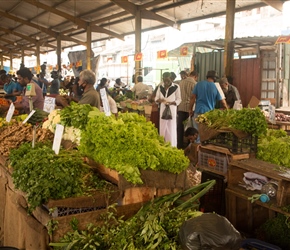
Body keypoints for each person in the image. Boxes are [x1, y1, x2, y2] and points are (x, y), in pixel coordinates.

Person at [189, 70, 228, 142]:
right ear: (215, 78)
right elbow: (223, 102)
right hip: (209, 114)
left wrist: (190, 110)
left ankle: (196, 150)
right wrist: (227, 110)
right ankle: (204, 150)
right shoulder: (216, 87)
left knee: (197, 134)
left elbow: (192, 98)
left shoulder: (199, 84)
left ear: (207, 76)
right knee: (206, 135)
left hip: (198, 112)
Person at [155, 72, 181, 147]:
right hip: (163, 110)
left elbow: (179, 99)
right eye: (164, 80)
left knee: (171, 128)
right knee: (163, 127)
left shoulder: (176, 87)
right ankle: (163, 144)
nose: (166, 82)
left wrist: (173, 103)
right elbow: (156, 98)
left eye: (168, 80)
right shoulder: (160, 87)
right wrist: (161, 101)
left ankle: (172, 145)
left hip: (172, 110)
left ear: (171, 79)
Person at [177, 70, 198, 149]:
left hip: (181, 107)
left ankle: (179, 145)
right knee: (190, 128)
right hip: (190, 109)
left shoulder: (181, 82)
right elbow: (194, 97)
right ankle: (189, 145)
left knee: (180, 128)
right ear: (195, 77)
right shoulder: (195, 84)